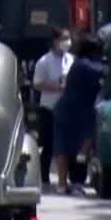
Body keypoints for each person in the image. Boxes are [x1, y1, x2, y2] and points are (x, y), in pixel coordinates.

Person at [52, 35, 105, 194]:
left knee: (64, 146)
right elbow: (104, 72)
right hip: (76, 110)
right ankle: (73, 182)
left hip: (67, 108)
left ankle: (65, 183)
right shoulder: (85, 65)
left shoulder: (78, 63)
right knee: (79, 144)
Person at [31, 28, 73, 190]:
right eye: (64, 39)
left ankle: (68, 177)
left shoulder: (71, 59)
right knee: (47, 144)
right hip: (49, 108)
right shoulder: (44, 61)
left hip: (67, 109)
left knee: (67, 144)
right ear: (54, 41)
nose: (67, 42)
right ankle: (44, 178)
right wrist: (57, 87)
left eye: (68, 38)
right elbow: (37, 83)